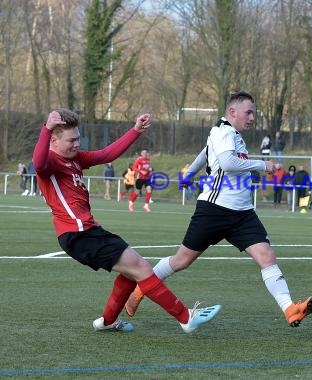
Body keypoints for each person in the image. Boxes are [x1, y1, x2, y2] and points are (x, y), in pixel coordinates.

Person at [123, 91, 312, 327]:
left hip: (242, 213)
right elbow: (226, 163)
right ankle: (141, 288)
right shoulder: (224, 131)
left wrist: (189, 174)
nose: (252, 118)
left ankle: (290, 310)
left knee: (267, 256)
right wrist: (262, 165)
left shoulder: (230, 135)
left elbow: (204, 154)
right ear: (233, 112)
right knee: (181, 260)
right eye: (249, 112)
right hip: (215, 209)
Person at [32, 109, 221, 333]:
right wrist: (46, 129)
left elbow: (106, 154)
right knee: (141, 267)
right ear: (53, 140)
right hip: (78, 234)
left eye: (78, 138)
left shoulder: (75, 159)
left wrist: (135, 131)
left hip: (87, 231)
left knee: (131, 272)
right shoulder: (50, 162)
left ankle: (108, 321)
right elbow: (39, 163)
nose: (77, 144)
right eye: (71, 140)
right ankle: (185, 317)